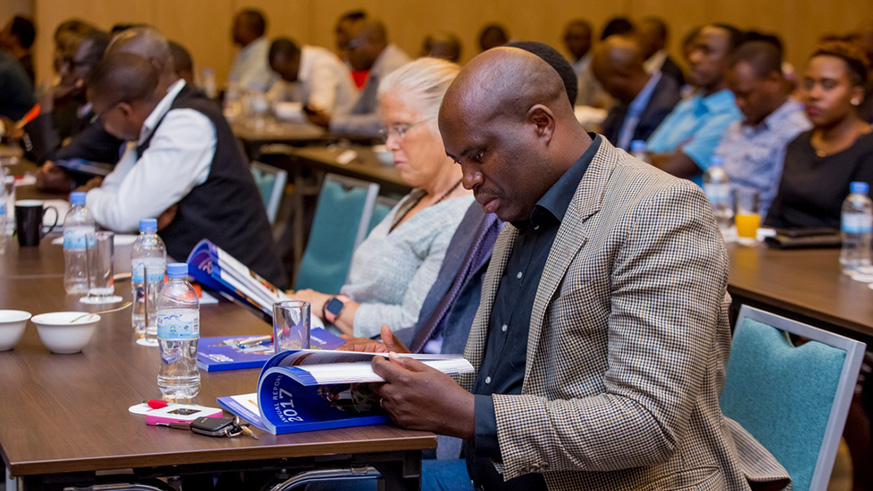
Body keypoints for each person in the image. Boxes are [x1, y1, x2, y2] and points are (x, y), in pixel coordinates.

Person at [357, 46, 791, 490]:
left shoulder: (658, 210)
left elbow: (646, 421)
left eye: (479, 155)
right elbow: (514, 375)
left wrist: (469, 416)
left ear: (541, 124)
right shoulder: (523, 200)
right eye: (459, 163)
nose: (468, 180)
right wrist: (416, 376)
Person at [84, 30, 285, 287]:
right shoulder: (155, 118)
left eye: (126, 64)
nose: (116, 73)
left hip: (237, 296)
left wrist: (87, 198)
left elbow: (123, 214)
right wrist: (109, 200)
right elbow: (117, 194)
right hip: (193, 280)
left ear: (152, 68)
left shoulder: (187, 122)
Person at [292, 58, 473, 339]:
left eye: (400, 128)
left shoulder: (465, 215)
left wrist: (329, 305)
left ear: (448, 125)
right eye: (386, 130)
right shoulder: (418, 196)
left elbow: (413, 324)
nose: (389, 144)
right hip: (344, 340)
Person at [765, 42, 873, 229]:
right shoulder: (798, 142)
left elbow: (862, 234)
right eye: (809, 84)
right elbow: (776, 215)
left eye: (828, 85)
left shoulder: (867, 150)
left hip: (835, 254)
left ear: (856, 94)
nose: (814, 94)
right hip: (782, 250)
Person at [715, 41, 811, 218]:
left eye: (745, 94)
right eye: (734, 95)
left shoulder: (797, 132)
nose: (738, 103)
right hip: (719, 225)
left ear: (774, 81)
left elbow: (780, 207)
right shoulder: (736, 127)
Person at [26, 29, 123, 192]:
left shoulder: (110, 117)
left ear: (99, 68)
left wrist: (46, 102)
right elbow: (29, 147)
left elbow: (51, 161)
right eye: (64, 62)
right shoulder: (77, 107)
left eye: (72, 64)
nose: (63, 71)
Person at [646, 24, 744, 184]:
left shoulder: (733, 113)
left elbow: (670, 169)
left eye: (707, 51)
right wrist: (663, 156)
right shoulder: (690, 102)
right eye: (695, 49)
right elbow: (642, 155)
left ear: (733, 60)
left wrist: (662, 158)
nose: (693, 58)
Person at [592, 35, 681, 150]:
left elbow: (647, 158)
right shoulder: (625, 99)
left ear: (621, 76)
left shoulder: (666, 104)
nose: (604, 90)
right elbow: (602, 137)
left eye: (603, 83)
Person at [326, 20, 411, 137]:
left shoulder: (393, 69)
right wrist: (328, 118)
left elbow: (383, 123)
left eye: (351, 47)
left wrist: (332, 122)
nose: (347, 55)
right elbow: (359, 110)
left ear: (373, 41)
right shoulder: (379, 66)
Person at [267, 38, 356, 121]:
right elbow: (271, 100)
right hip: (317, 131)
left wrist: (278, 109)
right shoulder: (290, 70)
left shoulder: (322, 66)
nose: (282, 78)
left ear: (295, 59)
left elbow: (318, 111)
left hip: (345, 132)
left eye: (284, 73)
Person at [562, 19, 605, 107]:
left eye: (576, 38)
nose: (572, 43)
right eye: (568, 38)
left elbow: (601, 102)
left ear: (589, 39)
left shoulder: (599, 65)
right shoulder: (567, 66)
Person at [228, 9, 274, 91]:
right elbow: (232, 85)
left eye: (237, 26)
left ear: (251, 30)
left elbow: (244, 89)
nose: (232, 29)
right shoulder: (245, 50)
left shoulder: (264, 55)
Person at [636, 17, 685, 87]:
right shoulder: (635, 64)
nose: (637, 41)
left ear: (661, 41)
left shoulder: (671, 72)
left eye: (644, 36)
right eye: (636, 35)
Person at [0, 15, 36, 86]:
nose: (0, 34)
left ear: (14, 38)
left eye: (4, 31)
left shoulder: (22, 69)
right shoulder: (19, 64)